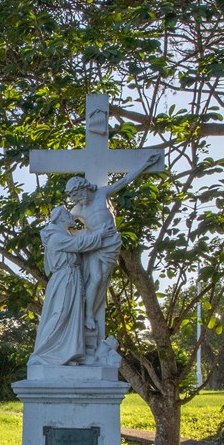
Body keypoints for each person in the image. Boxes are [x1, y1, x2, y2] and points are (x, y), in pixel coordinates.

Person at [65, 151, 162, 357]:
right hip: (95, 245)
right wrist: (84, 235)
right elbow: (62, 225)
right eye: (73, 198)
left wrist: (144, 164)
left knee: (103, 280)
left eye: (76, 195)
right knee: (96, 277)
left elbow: (126, 180)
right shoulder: (78, 210)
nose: (75, 200)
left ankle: (92, 312)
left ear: (83, 188)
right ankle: (89, 315)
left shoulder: (101, 194)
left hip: (111, 245)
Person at [29, 206, 110, 367]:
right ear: (60, 218)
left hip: (72, 277)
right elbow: (79, 244)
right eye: (67, 213)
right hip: (64, 279)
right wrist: (100, 234)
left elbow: (79, 241)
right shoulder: (56, 237)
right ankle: (42, 353)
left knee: (73, 317)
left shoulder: (62, 234)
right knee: (60, 313)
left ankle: (68, 355)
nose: (70, 215)